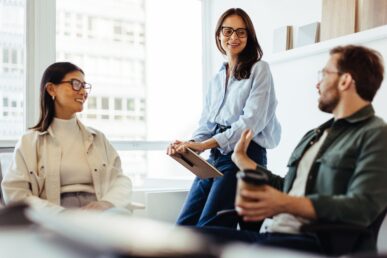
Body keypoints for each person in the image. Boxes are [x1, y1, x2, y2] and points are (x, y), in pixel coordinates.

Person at [195, 45, 387, 254]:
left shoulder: (375, 134)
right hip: (274, 235)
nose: (317, 83)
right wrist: (241, 159)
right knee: (193, 238)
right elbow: (288, 187)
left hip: (313, 243)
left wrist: (285, 204)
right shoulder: (315, 135)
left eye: (324, 74)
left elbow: (363, 207)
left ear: (345, 80)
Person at [167, 8, 281, 227]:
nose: (233, 37)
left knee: (211, 228)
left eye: (241, 32)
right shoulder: (218, 77)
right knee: (184, 227)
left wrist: (203, 145)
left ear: (249, 37)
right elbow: (208, 123)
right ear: (219, 35)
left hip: (246, 154)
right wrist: (190, 145)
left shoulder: (260, 69)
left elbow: (249, 124)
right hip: (216, 155)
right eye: (227, 31)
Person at [1, 62, 132, 214]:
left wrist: (106, 203)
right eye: (76, 84)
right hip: (55, 216)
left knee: (120, 215)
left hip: (98, 214)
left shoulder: (98, 138)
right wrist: (60, 214)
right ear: (51, 89)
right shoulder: (29, 142)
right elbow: (15, 193)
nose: (83, 92)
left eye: (84, 86)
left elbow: (121, 180)